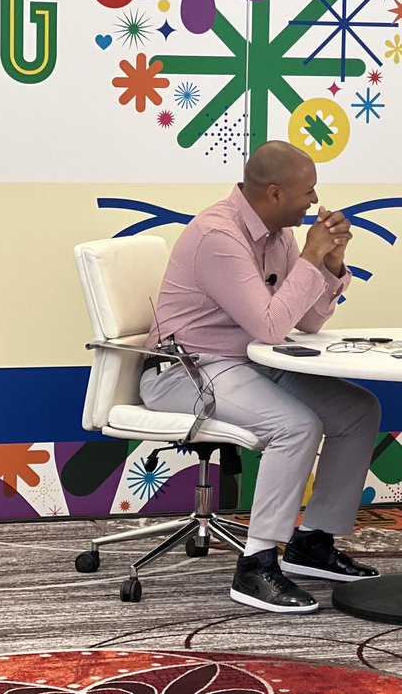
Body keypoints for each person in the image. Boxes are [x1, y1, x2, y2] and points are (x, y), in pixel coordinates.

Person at [140, 140, 382, 614]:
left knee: (357, 410)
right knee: (295, 426)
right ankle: (256, 565)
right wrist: (312, 257)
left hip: (246, 363)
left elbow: (307, 321)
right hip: (185, 370)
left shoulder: (277, 236)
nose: (315, 201)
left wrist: (329, 263)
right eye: (307, 191)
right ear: (274, 193)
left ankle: (312, 543)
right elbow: (271, 325)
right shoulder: (219, 236)